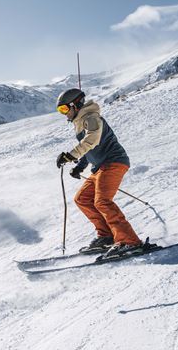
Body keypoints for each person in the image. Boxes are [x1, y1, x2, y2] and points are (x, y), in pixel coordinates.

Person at [55, 88, 142, 256]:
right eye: (61, 111)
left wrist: (70, 155)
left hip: (113, 162)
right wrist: (80, 166)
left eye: (64, 109)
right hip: (101, 167)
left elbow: (92, 140)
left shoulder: (91, 118)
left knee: (102, 201)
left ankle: (130, 242)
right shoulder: (81, 123)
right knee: (82, 199)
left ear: (75, 105)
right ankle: (107, 236)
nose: (64, 114)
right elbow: (90, 150)